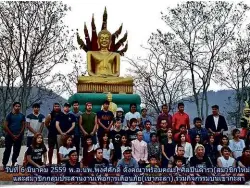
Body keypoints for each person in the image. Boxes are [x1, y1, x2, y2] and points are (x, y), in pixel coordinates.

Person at [2, 102, 26, 168]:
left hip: (19, 136)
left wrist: (19, 134)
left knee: (16, 150)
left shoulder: (22, 116)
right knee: (7, 150)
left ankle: (13, 164)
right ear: (13, 107)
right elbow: (5, 126)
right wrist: (12, 135)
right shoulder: (9, 115)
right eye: (16, 106)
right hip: (9, 136)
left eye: (19, 106)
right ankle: (4, 164)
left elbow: (23, 126)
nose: (17, 107)